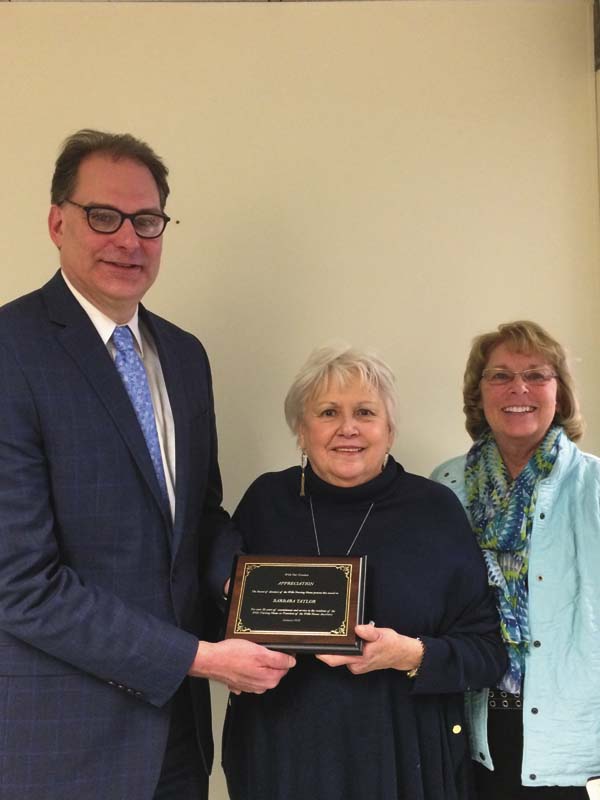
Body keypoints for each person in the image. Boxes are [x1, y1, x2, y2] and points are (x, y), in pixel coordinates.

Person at [0, 129, 294, 800]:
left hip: (178, 741)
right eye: (104, 217)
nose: (128, 240)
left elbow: (199, 517)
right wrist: (199, 657)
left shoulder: (185, 356)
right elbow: (21, 584)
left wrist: (250, 593)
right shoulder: (10, 352)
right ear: (58, 223)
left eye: (147, 220)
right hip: (62, 746)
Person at [217, 345, 507, 800]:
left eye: (366, 413)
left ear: (389, 430)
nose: (347, 428)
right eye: (328, 412)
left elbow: (487, 653)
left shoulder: (434, 510)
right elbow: (218, 609)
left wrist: (408, 654)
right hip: (281, 756)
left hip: (403, 756)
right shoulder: (266, 501)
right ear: (301, 430)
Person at [431, 320, 600, 798]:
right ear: (479, 394)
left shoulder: (593, 485)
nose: (518, 389)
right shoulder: (445, 485)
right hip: (469, 727)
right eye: (500, 376)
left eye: (537, 375)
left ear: (559, 394)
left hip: (570, 738)